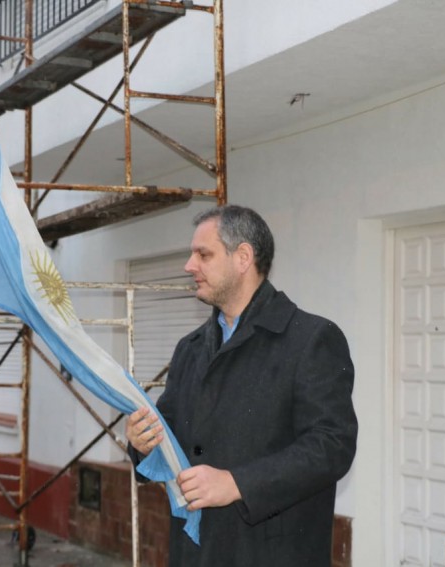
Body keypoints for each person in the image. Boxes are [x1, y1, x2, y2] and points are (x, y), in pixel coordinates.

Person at [126, 205, 358, 566]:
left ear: (243, 257)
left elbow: (332, 446)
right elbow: (170, 435)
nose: (189, 266)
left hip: (270, 554)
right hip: (197, 551)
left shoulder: (312, 339)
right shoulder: (189, 349)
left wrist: (237, 483)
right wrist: (142, 443)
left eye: (203, 254)